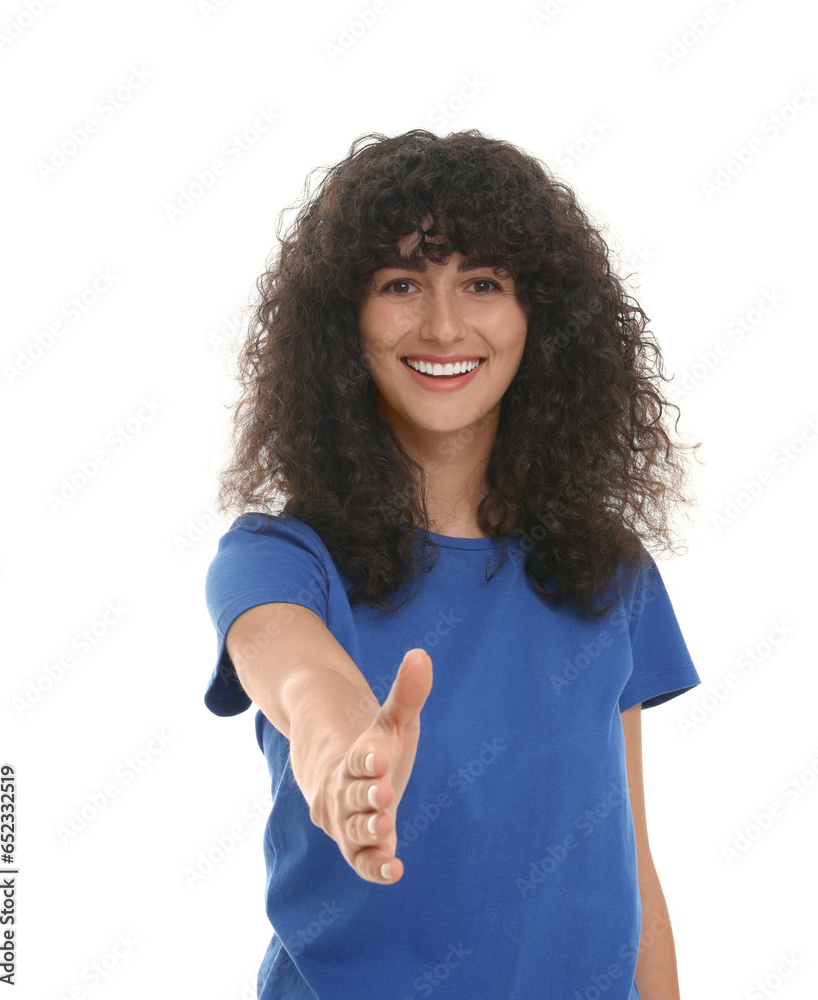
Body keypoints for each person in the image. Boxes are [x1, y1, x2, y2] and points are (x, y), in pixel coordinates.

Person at [203, 128, 702, 1000]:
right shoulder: (279, 560)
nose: (443, 324)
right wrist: (343, 759)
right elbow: (302, 685)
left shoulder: (606, 570)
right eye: (401, 284)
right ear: (343, 320)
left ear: (538, 315)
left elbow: (631, 865)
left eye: (483, 283)